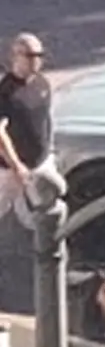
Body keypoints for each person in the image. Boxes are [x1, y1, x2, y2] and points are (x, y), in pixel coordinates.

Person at [0, 34, 63, 229]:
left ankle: (41, 230)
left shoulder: (42, 83)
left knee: (55, 192)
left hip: (41, 161)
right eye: (30, 55)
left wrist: (50, 148)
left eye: (39, 55)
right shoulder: (5, 92)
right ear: (15, 56)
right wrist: (17, 166)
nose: (36, 60)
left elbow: (46, 117)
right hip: (10, 169)